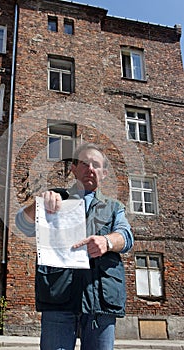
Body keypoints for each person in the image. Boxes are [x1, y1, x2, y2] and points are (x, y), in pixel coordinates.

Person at [15, 143, 134, 350]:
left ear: (104, 173)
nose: (90, 168)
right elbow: (22, 225)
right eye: (85, 163)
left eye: (96, 165)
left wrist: (107, 242)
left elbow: (126, 236)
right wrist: (39, 205)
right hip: (59, 296)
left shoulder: (114, 207)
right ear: (73, 169)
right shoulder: (54, 198)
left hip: (100, 301)